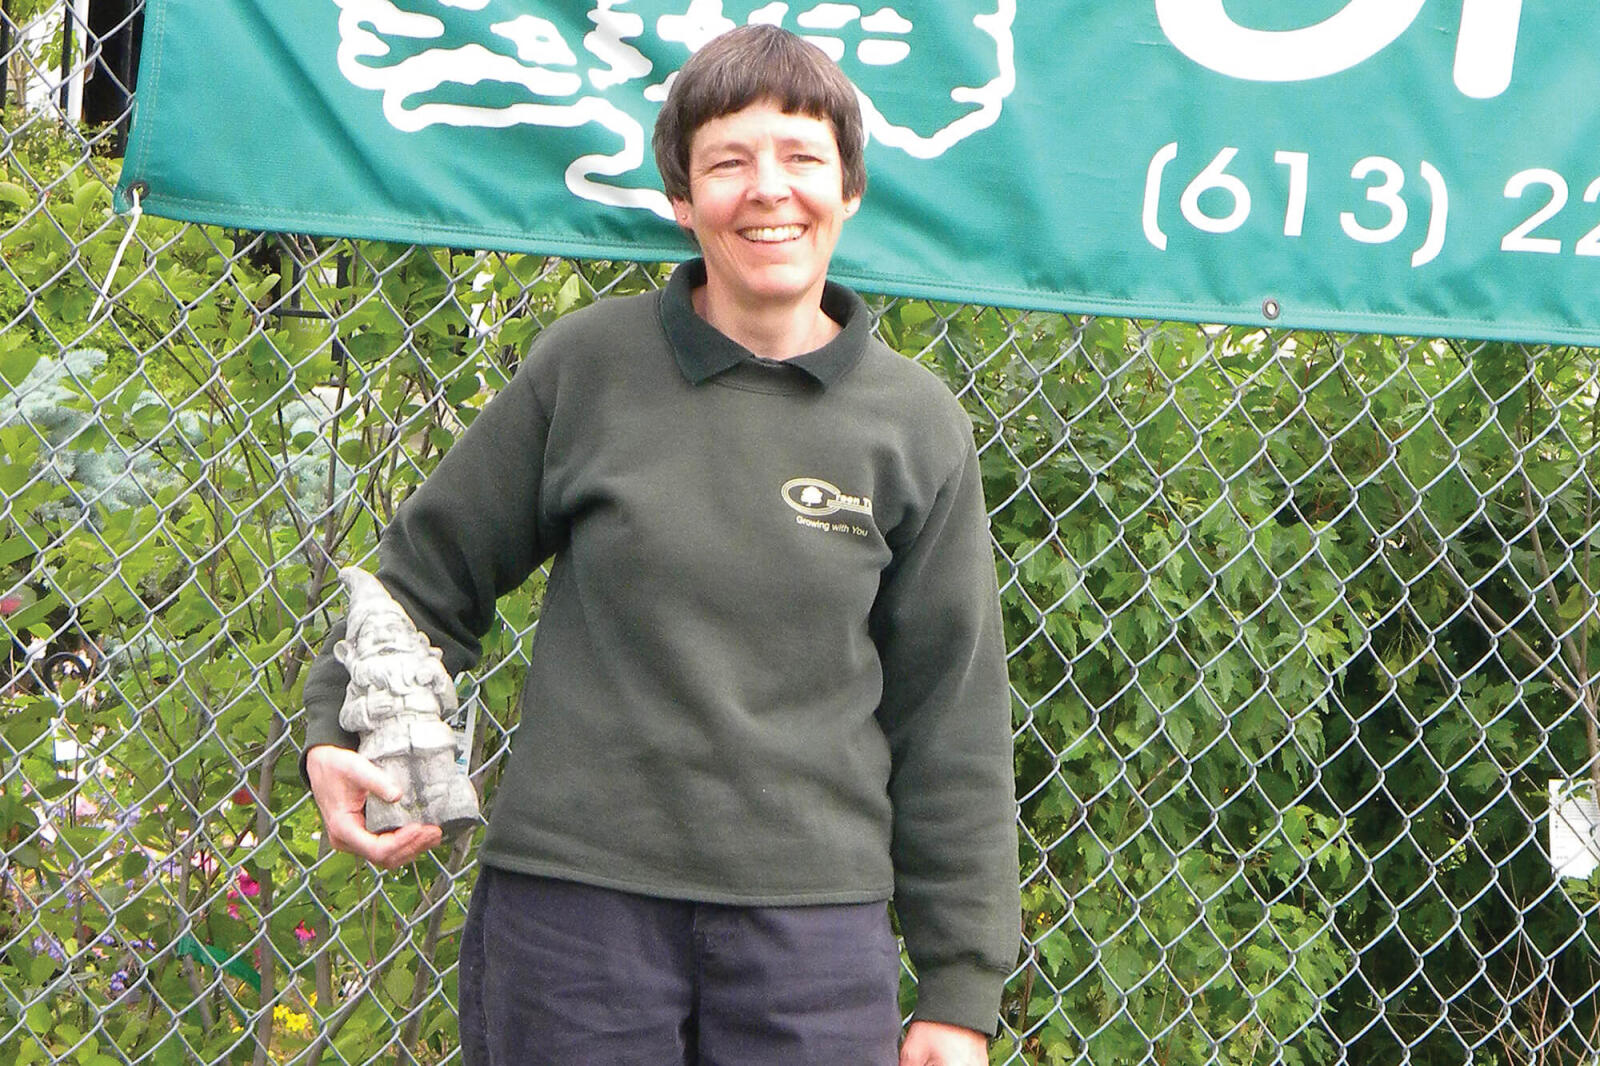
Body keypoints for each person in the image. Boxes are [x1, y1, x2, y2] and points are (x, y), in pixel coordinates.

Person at [301, 24, 1019, 1066]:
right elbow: (424, 581)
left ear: (849, 189)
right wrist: (338, 725)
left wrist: (960, 988)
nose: (768, 190)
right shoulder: (589, 367)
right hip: (575, 919)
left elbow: (950, 718)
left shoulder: (914, 425)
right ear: (683, 199)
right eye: (728, 162)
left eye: (801, 158)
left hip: (810, 938)